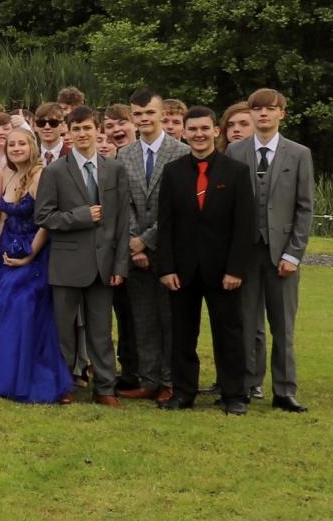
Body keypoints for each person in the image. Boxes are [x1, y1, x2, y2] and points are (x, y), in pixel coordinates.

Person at [152, 106, 256, 414]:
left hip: (223, 270)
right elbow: (165, 223)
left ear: (215, 131)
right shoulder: (172, 172)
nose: (198, 135)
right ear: (183, 133)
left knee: (229, 334)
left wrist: (236, 268)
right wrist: (166, 267)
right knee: (182, 335)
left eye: (204, 129)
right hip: (182, 271)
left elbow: (244, 226)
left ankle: (234, 394)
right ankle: (183, 393)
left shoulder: (235, 172)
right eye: (192, 129)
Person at [0, 126, 74, 404]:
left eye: (21, 144)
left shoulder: (42, 175)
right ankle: (3, 378)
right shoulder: (5, 174)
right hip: (7, 251)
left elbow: (46, 220)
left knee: (25, 310)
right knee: (2, 308)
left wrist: (29, 254)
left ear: (32, 146)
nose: (16, 148)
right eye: (12, 144)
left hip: (34, 253)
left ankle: (33, 379)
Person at [35, 106, 129, 404]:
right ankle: (64, 385)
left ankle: (105, 388)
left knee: (101, 331)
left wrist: (120, 264)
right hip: (67, 263)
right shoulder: (54, 171)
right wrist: (80, 216)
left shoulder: (114, 169)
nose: (82, 133)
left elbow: (122, 221)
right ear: (69, 133)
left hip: (103, 264)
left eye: (87, 128)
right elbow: (44, 216)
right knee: (64, 331)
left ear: (96, 130)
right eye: (76, 129)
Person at [231, 88, 314, 412]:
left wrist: (293, 254)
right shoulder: (236, 152)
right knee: (247, 325)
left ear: (282, 114)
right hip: (245, 253)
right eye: (257, 109)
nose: (263, 114)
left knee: (283, 326)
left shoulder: (299, 154)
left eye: (270, 109)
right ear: (250, 114)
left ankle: (284, 390)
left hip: (282, 255)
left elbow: (305, 208)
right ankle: (248, 385)